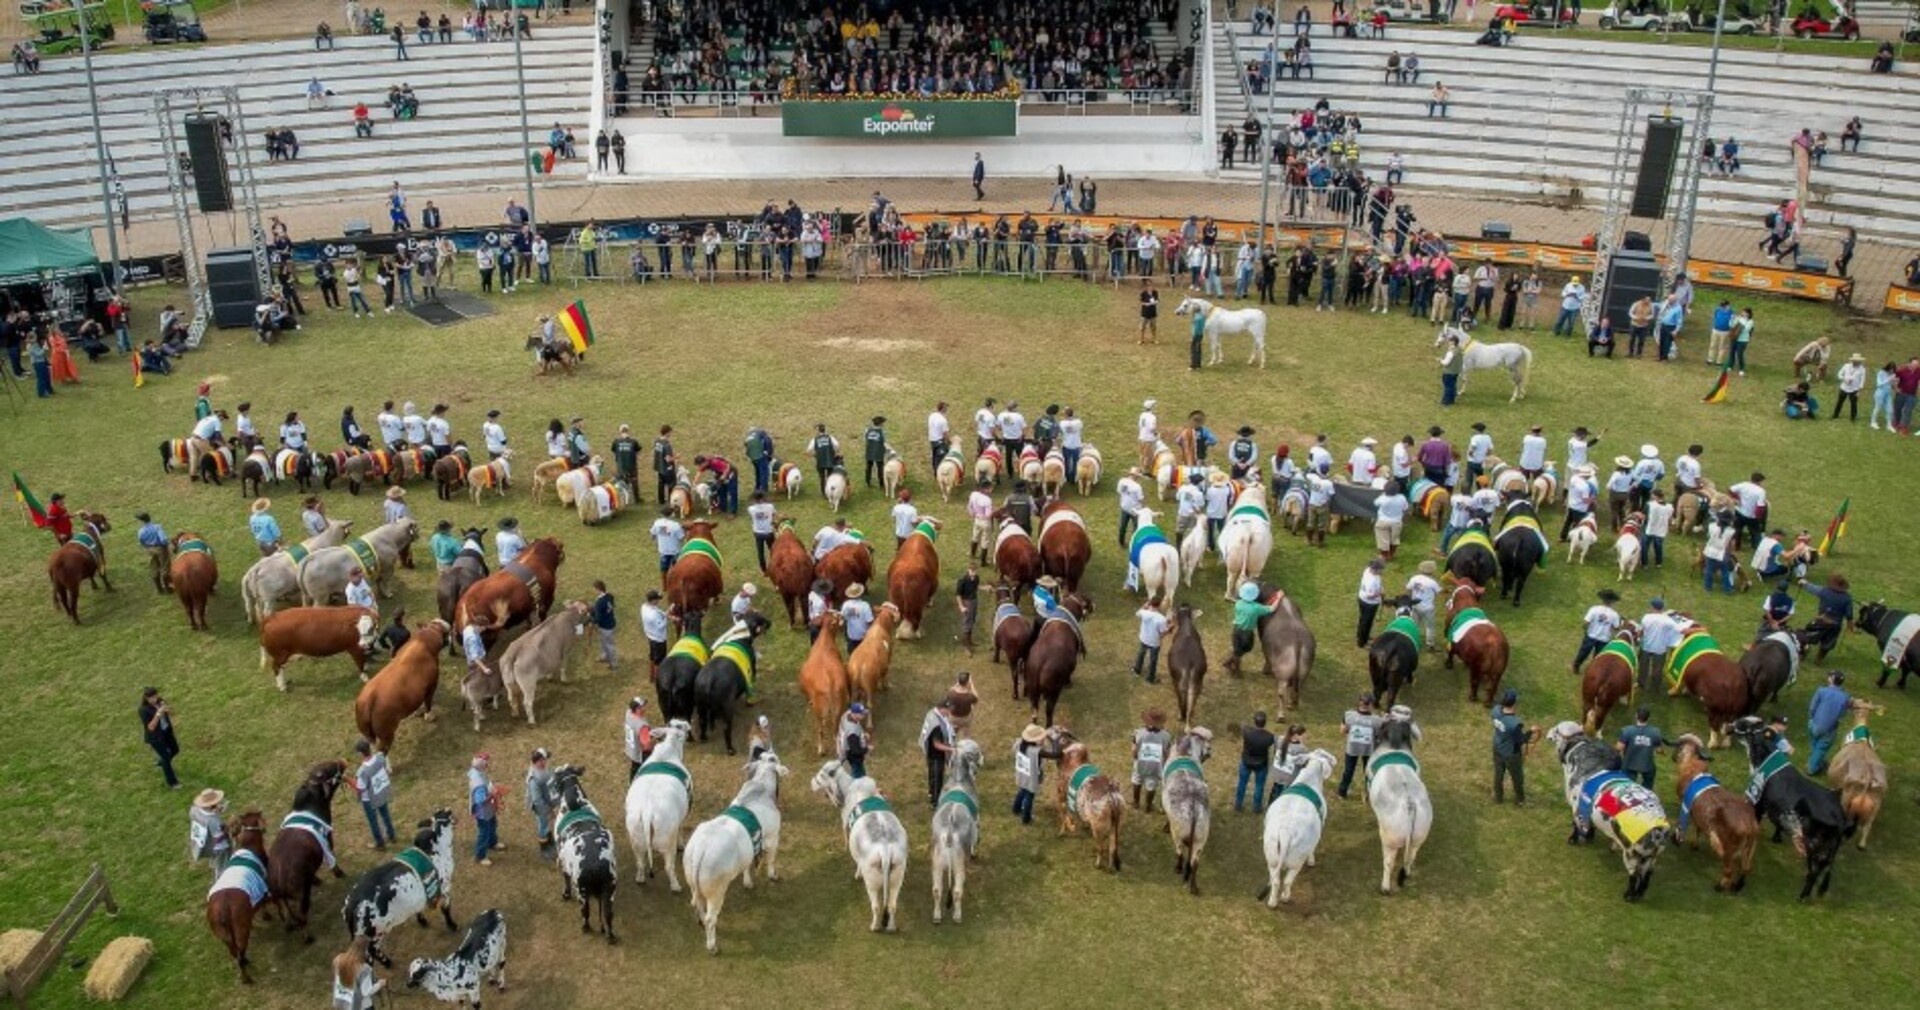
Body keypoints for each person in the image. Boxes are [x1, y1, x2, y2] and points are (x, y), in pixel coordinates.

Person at [351, 738, 396, 850]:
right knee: (385, 814)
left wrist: (348, 780)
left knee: (373, 821)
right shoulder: (380, 757)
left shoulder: (362, 771)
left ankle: (379, 843)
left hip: (369, 798)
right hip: (380, 791)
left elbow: (360, 788)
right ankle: (391, 835)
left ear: (360, 753)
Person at [1798, 573, 1854, 661]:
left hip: (1821, 621)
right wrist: (1850, 627)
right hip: (1835, 624)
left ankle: (1803, 652)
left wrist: (1804, 583)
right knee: (1828, 643)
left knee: (1808, 636)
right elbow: (1849, 615)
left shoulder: (1825, 591)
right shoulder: (1847, 598)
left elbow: (1813, 588)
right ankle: (1819, 659)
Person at [1806, 671, 1851, 775]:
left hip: (1814, 724)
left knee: (1814, 744)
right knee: (1821, 748)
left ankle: (1813, 766)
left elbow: (1812, 707)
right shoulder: (1845, 697)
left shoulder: (1821, 691)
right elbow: (1842, 714)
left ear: (1831, 679)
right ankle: (1813, 767)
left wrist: (1812, 718)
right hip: (1829, 728)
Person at [1336, 694, 1379, 799]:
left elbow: (1342, 731)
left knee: (1348, 771)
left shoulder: (1349, 715)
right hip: (1369, 750)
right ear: (1371, 705)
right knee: (1369, 772)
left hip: (1352, 748)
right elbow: (1378, 735)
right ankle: (1370, 793)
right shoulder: (1377, 720)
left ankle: (1342, 792)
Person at [1490, 689, 1528, 805]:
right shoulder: (1515, 723)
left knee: (1498, 774)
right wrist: (1530, 732)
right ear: (1514, 703)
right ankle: (1520, 799)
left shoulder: (1495, 710)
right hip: (1511, 754)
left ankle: (1498, 797)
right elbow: (1520, 740)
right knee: (1517, 778)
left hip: (1497, 748)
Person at [1131, 709, 1172, 812]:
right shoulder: (1166, 735)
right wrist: (1165, 762)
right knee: (1151, 785)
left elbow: (1134, 750)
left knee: (1137, 780)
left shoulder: (1138, 733)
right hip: (1156, 765)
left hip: (1140, 763)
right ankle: (1148, 806)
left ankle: (1136, 802)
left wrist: (1135, 757)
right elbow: (1167, 752)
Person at [140, 686, 181, 789]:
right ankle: (172, 783)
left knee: (175, 750)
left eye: (156, 696)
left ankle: (161, 762)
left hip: (166, 731)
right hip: (155, 737)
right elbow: (151, 727)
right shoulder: (143, 710)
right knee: (166, 758)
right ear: (146, 698)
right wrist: (158, 714)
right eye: (152, 698)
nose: (155, 699)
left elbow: (171, 712)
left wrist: (168, 709)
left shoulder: (160, 701)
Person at [1235, 711, 1276, 813]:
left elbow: (1243, 727)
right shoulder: (1269, 737)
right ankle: (1256, 807)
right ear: (1265, 723)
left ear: (1254, 722)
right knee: (1259, 786)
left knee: (1242, 784)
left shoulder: (1247, 733)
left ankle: (1238, 804)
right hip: (1261, 764)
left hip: (1246, 762)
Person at [1615, 708, 1666, 789]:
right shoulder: (1655, 732)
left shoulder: (1627, 731)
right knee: (1648, 784)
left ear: (1636, 716)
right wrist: (1662, 752)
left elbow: (1619, 748)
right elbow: (1659, 749)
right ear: (1648, 718)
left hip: (1629, 764)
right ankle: (1646, 791)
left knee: (1627, 786)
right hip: (1647, 764)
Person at [1574, 589, 1623, 672]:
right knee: (1598, 656)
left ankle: (1576, 665)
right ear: (1612, 601)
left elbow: (1586, 622)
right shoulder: (1614, 614)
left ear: (1602, 599)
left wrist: (1585, 629)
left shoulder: (1594, 609)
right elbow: (1616, 627)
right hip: (1604, 638)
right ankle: (1594, 670)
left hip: (1591, 635)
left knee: (1584, 651)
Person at [919, 700, 956, 806]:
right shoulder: (937, 725)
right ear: (942, 708)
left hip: (930, 752)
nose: (949, 713)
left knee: (932, 775)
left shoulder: (931, 713)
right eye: (948, 710)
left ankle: (931, 793)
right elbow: (937, 744)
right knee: (937, 777)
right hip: (936, 755)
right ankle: (935, 801)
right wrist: (951, 749)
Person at [525, 748, 559, 861]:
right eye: (543, 759)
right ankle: (544, 848)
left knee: (548, 824)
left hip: (547, 801)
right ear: (538, 761)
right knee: (543, 825)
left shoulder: (543, 769)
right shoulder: (533, 779)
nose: (546, 761)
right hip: (540, 807)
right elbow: (537, 800)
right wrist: (548, 811)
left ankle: (550, 840)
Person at [468, 754, 502, 865]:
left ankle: (492, 843)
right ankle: (480, 855)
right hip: (482, 812)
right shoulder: (479, 784)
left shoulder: (476, 772)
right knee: (484, 832)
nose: (488, 764)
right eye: (486, 763)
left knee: (492, 825)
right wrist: (493, 794)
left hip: (488, 809)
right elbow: (480, 800)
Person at [189, 788, 232, 875]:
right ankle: (220, 877)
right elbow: (218, 839)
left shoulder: (194, 810)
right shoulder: (213, 821)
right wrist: (228, 828)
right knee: (222, 866)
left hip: (206, 842)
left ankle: (214, 864)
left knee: (213, 857)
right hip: (219, 847)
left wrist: (217, 811)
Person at [1012, 723, 1046, 825]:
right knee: (1029, 796)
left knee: (1022, 790)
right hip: (1031, 777)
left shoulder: (1019, 744)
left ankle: (1016, 808)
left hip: (1022, 773)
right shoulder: (1035, 751)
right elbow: (1052, 755)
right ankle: (1026, 818)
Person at [1355, 558, 1385, 648]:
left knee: (1363, 619)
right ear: (1376, 569)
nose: (1382, 571)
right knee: (1367, 622)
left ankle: (1361, 635)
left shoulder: (1368, 570)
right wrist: (1380, 593)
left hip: (1362, 599)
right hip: (1369, 604)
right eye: (1381, 569)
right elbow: (1370, 595)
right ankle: (1362, 642)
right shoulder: (1371, 582)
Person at [623, 698, 653, 779]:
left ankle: (631, 782)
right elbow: (647, 746)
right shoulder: (642, 726)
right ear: (638, 709)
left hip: (631, 749)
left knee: (634, 769)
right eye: (643, 706)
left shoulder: (628, 714)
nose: (645, 708)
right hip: (640, 754)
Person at [943, 672, 979, 740]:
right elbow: (976, 697)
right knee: (966, 736)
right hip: (965, 718)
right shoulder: (969, 697)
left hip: (954, 718)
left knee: (951, 734)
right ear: (967, 683)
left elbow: (949, 693)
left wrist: (957, 684)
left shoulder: (951, 694)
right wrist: (972, 685)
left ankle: (951, 741)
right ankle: (966, 742)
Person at [1833, 353, 1867, 421]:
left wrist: (1859, 390)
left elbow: (1862, 380)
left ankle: (1853, 418)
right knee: (1839, 402)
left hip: (1854, 389)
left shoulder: (1862, 369)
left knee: (1853, 404)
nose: (1857, 362)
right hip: (1844, 387)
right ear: (1853, 360)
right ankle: (1835, 415)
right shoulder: (1846, 366)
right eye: (1855, 361)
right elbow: (1839, 374)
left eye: (1858, 361)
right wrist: (1844, 379)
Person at [842, 583, 874, 652]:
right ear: (861, 594)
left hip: (851, 636)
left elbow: (843, 618)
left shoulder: (846, 605)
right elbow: (870, 621)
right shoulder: (865, 605)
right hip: (864, 636)